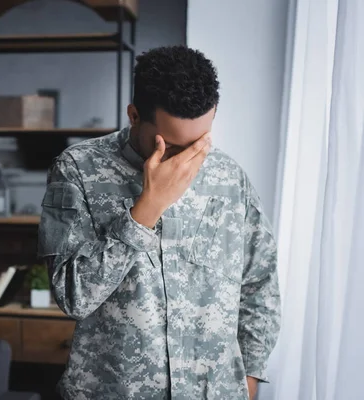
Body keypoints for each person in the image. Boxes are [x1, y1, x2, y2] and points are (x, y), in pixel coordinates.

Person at [37, 45, 281, 400]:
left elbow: (260, 282)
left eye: (200, 141)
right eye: (173, 146)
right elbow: (73, 297)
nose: (189, 161)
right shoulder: (76, 169)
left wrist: (251, 378)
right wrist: (146, 209)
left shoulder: (229, 177)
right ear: (134, 115)